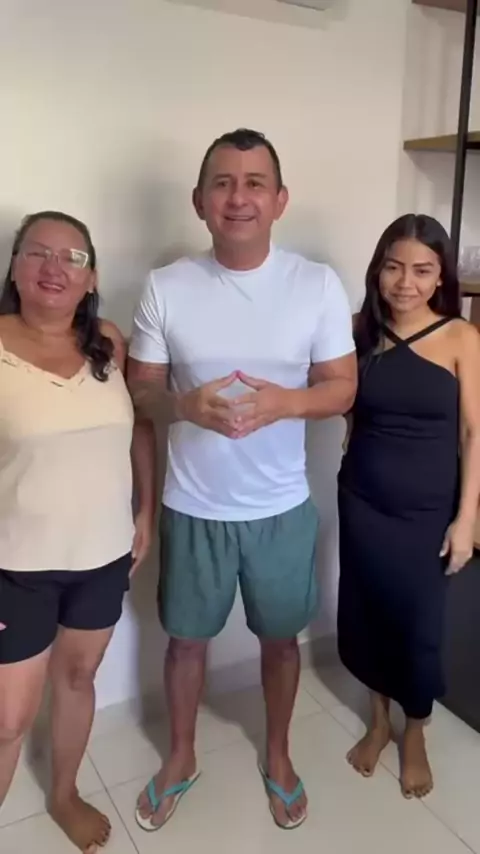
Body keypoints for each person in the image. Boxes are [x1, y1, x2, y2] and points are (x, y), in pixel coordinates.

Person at [128, 128, 357, 831]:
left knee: (281, 641)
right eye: (222, 183)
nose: (238, 197)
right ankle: (181, 755)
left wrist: (285, 402)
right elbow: (141, 390)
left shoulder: (315, 284)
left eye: (255, 183)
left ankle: (278, 755)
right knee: (185, 642)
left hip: (281, 507)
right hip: (191, 506)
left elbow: (343, 387)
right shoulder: (166, 286)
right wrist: (183, 407)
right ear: (199, 200)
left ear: (279, 200)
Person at [0, 211, 156, 854]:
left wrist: (145, 511)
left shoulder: (108, 343)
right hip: (15, 563)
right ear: (14, 267)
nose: (54, 267)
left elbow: (140, 426)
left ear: (91, 278)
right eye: (38, 252)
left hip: (102, 556)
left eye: (73, 257)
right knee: (8, 719)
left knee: (78, 678)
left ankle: (63, 793)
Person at [338, 214, 480, 799]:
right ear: (378, 270)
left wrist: (467, 519)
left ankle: (414, 729)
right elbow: (348, 409)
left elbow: (474, 433)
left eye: (422, 270)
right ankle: (378, 722)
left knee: (418, 626)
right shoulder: (359, 332)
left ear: (440, 276)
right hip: (362, 501)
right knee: (369, 614)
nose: (405, 282)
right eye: (394, 267)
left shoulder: (461, 338)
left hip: (426, 511)